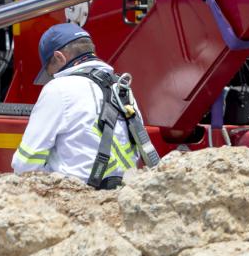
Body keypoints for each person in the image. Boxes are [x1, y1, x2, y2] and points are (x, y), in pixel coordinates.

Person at [13, 23, 159, 188]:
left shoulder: (59, 88)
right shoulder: (121, 87)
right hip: (124, 191)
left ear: (59, 57)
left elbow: (25, 163)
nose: (52, 76)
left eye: (49, 71)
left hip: (78, 196)